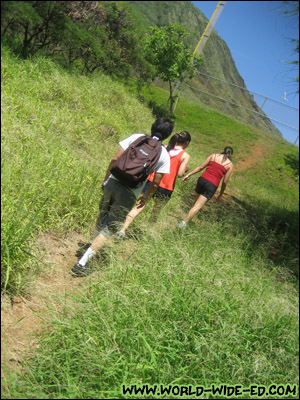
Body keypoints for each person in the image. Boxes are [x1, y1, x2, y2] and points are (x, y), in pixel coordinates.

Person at [71, 117, 174, 277]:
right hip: (130, 192)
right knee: (110, 226)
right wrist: (146, 196)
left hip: (112, 182)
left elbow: (115, 159)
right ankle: (82, 263)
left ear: (153, 127)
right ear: (167, 135)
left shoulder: (137, 138)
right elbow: (155, 183)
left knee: (103, 214)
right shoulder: (163, 154)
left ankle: (91, 245)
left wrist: (106, 178)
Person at [116, 131, 191, 237]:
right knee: (156, 211)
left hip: (152, 181)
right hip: (167, 186)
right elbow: (179, 174)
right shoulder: (185, 156)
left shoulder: (164, 148)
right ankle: (146, 234)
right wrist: (186, 169)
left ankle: (122, 230)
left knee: (139, 206)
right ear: (186, 143)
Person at [178, 146, 234, 229]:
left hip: (202, 180)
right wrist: (221, 193)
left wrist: (189, 174)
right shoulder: (230, 165)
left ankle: (187, 220)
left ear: (223, 151)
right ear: (231, 155)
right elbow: (224, 182)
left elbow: (200, 167)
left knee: (195, 203)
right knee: (198, 205)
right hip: (211, 185)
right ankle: (183, 223)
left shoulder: (213, 156)